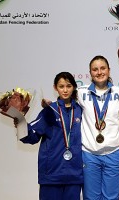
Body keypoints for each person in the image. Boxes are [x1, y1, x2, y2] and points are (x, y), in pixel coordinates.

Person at [17, 72, 83, 200]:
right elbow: (31, 137)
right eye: (61, 86)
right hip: (51, 174)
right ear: (55, 88)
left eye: (68, 86)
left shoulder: (81, 110)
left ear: (74, 87)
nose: (65, 90)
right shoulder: (49, 110)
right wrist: (20, 121)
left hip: (74, 175)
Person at [77, 55, 119, 200]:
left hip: (113, 153)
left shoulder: (118, 92)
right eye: (95, 69)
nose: (99, 72)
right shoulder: (81, 92)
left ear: (109, 70)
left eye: (102, 68)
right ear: (90, 72)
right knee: (91, 197)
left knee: (111, 197)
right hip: (89, 154)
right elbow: (65, 104)